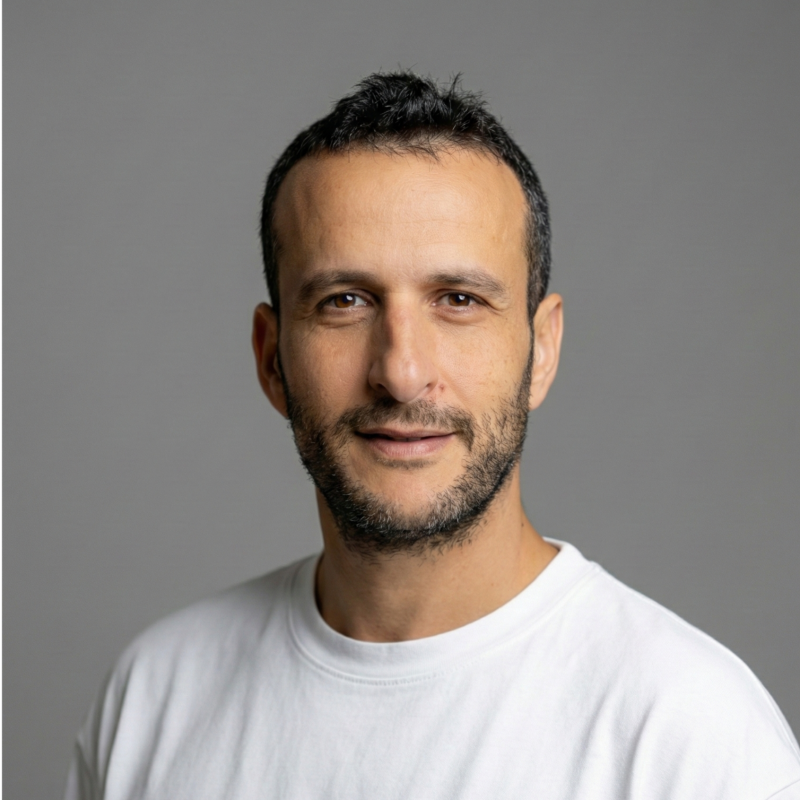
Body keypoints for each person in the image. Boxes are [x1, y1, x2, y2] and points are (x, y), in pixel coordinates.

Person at [65, 72, 800, 800]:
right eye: (344, 301)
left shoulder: (692, 740)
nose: (401, 372)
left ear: (542, 350)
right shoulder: (152, 700)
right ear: (271, 358)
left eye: (459, 300)